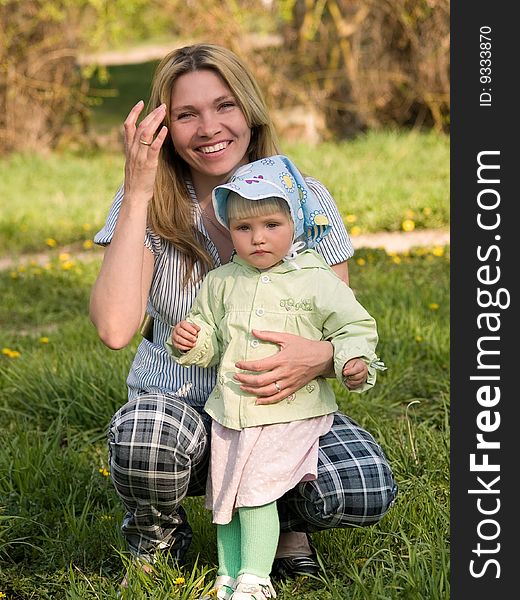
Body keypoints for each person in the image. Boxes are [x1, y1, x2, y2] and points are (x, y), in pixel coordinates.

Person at [89, 42, 397, 589]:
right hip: (179, 407)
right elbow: (115, 329)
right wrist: (137, 189)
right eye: (187, 114)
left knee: (362, 484)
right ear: (165, 127)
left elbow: (340, 320)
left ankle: (287, 528)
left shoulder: (306, 202)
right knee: (145, 437)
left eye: (224, 105)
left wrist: (326, 356)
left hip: (279, 411)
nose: (209, 127)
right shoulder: (148, 206)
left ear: (249, 112)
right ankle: (156, 529)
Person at [167, 154, 387, 600]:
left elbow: (355, 327)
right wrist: (191, 341)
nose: (258, 238)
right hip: (232, 411)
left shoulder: (315, 280)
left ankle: (256, 578)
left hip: (288, 411)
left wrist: (350, 362)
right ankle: (227, 577)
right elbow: (210, 341)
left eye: (270, 225)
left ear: (295, 223)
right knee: (226, 500)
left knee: (256, 493)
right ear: (230, 232)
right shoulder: (222, 281)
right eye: (244, 229)